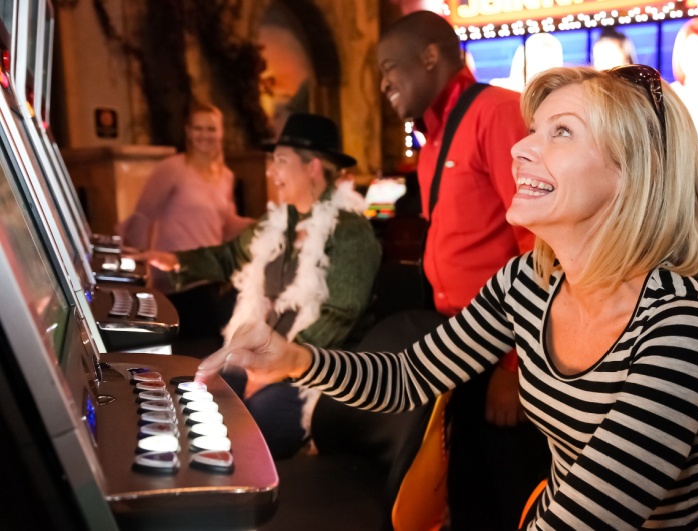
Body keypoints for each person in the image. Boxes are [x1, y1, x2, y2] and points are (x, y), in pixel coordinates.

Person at [196, 64, 698, 529]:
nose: (520, 148)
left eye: (561, 132)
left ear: (632, 174)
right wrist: (294, 359)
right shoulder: (527, 282)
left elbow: (592, 516)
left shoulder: (683, 324)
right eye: (533, 130)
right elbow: (406, 379)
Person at [378, 10, 544, 530]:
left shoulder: (497, 113)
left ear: (430, 57)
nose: (384, 84)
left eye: (389, 68)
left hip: (502, 350)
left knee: (510, 498)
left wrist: (514, 368)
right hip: (459, 345)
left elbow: (540, 246)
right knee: (467, 498)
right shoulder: (431, 141)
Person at [136, 113, 382, 459]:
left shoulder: (351, 232)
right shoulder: (278, 222)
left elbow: (340, 316)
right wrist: (175, 261)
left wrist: (276, 368)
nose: (271, 172)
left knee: (240, 430)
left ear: (312, 168)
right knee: (194, 393)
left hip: (317, 373)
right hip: (268, 356)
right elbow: (229, 256)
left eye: (280, 162)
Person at [118, 101, 253, 293]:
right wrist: (140, 271)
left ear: (221, 132)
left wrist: (262, 222)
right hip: (173, 278)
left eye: (211, 129)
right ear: (188, 131)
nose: (204, 135)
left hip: (209, 275)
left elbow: (226, 225)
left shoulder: (226, 175)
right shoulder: (172, 168)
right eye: (198, 128)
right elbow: (143, 218)